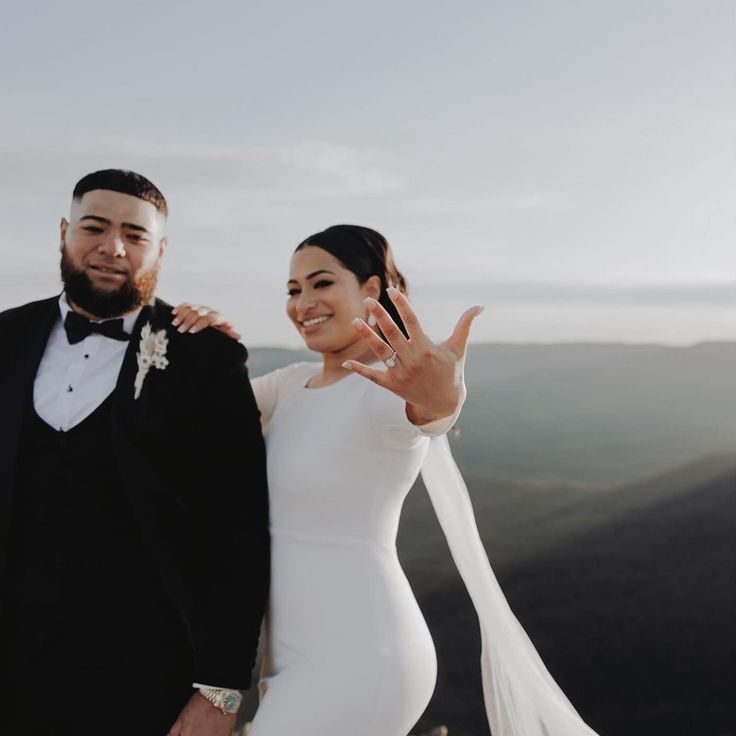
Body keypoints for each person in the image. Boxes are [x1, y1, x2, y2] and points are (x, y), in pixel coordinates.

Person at [173, 224, 601, 736]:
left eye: (322, 283)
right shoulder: (289, 384)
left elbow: (429, 412)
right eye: (293, 289)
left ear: (371, 291)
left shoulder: (382, 392)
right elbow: (189, 410)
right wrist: (203, 339)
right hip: (283, 661)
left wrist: (444, 395)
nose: (303, 301)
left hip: (361, 659)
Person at [0, 169, 269, 736]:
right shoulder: (5, 337)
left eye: (135, 235)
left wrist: (221, 691)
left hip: (143, 674)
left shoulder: (205, 358)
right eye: (94, 227)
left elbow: (237, 530)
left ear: (160, 249)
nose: (112, 247)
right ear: (63, 232)